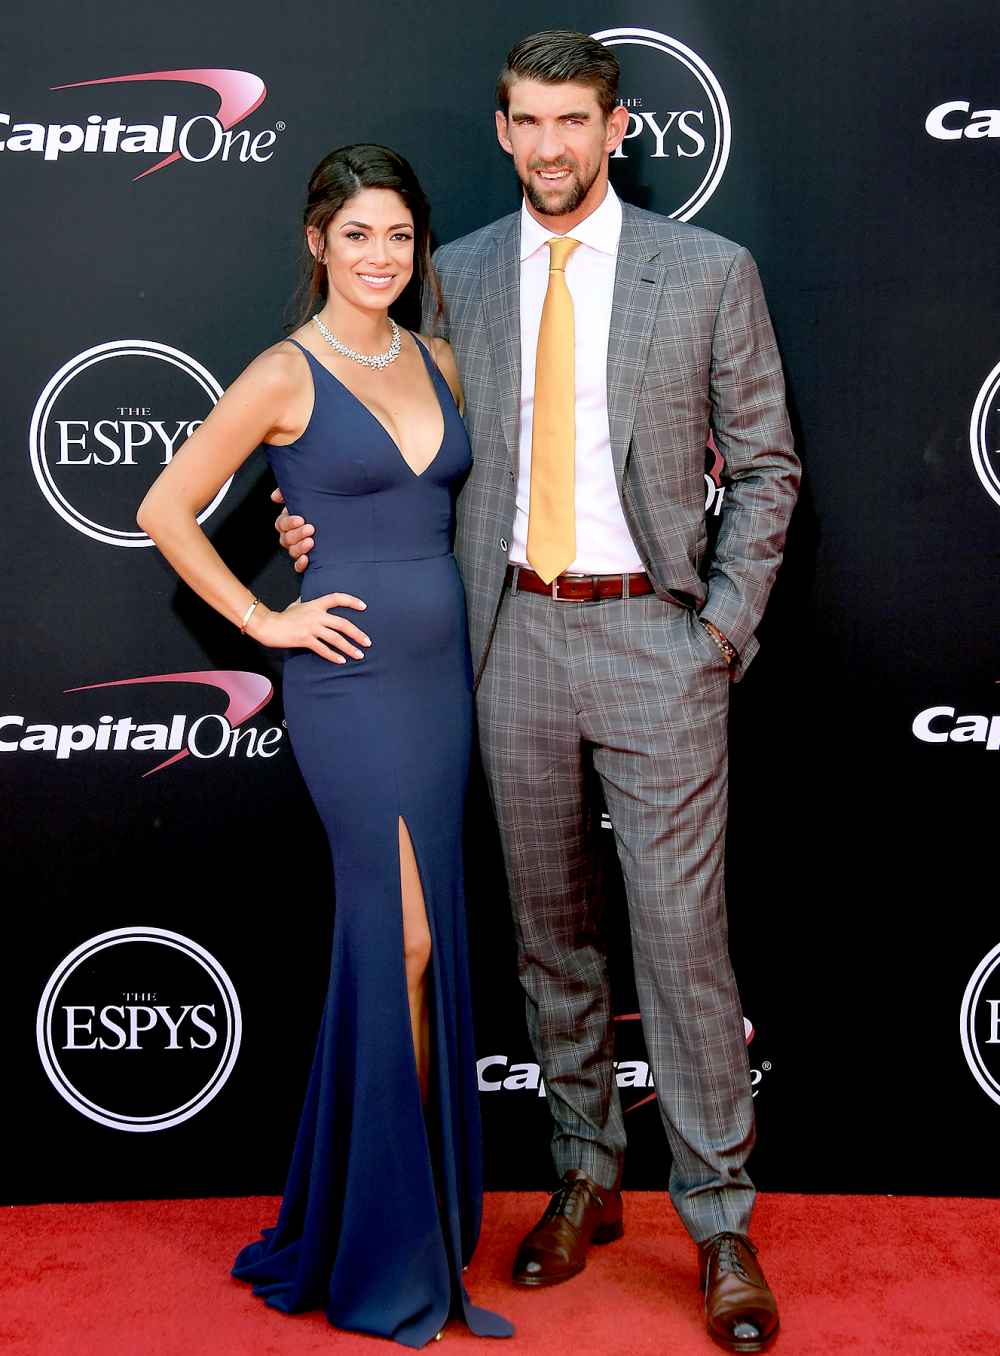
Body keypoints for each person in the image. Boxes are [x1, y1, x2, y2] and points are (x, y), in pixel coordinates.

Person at [277, 30, 800, 1353]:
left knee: (681, 941)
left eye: (577, 120)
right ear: (504, 133)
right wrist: (312, 535)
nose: (553, 146)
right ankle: (583, 1170)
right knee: (548, 931)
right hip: (502, 642)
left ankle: (721, 1220)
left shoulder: (709, 272)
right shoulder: (453, 279)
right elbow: (400, 441)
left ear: (615, 125)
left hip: (653, 642)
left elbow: (769, 466)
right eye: (529, 122)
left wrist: (721, 633)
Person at [136, 143, 513, 1348]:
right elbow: (163, 506)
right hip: (345, 686)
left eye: (399, 237)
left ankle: (399, 1219)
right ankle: (383, 1245)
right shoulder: (282, 374)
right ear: (318, 243)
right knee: (396, 936)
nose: (380, 257)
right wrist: (263, 616)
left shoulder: (440, 357)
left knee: (429, 940)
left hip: (442, 683)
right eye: (357, 235)